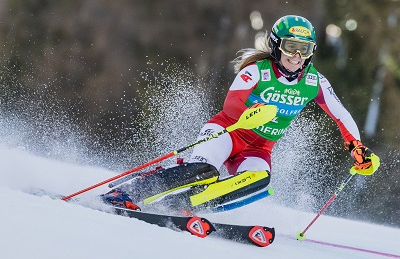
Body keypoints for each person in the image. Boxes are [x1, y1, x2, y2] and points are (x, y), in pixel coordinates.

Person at [101, 15, 380, 212]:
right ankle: (128, 192)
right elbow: (232, 104)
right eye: (290, 47)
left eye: (304, 50)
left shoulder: (314, 82)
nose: (297, 56)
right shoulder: (256, 71)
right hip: (227, 132)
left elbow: (341, 114)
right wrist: (252, 111)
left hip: (258, 148)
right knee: (204, 170)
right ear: (276, 46)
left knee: (257, 180)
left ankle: (184, 206)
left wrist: (356, 147)